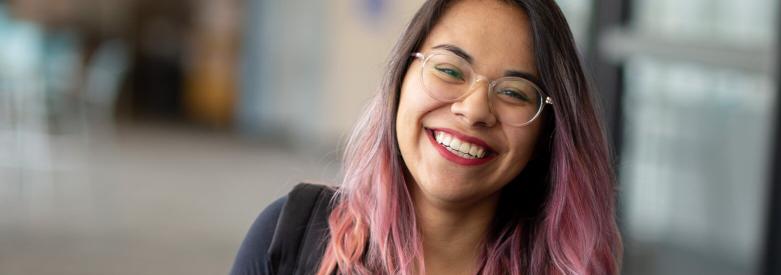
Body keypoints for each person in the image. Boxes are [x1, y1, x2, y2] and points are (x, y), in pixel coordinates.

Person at [231, 0, 621, 274]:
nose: (475, 109)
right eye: (450, 71)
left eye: (515, 92)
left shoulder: (573, 268)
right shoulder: (291, 235)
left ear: (547, 134)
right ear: (402, 77)